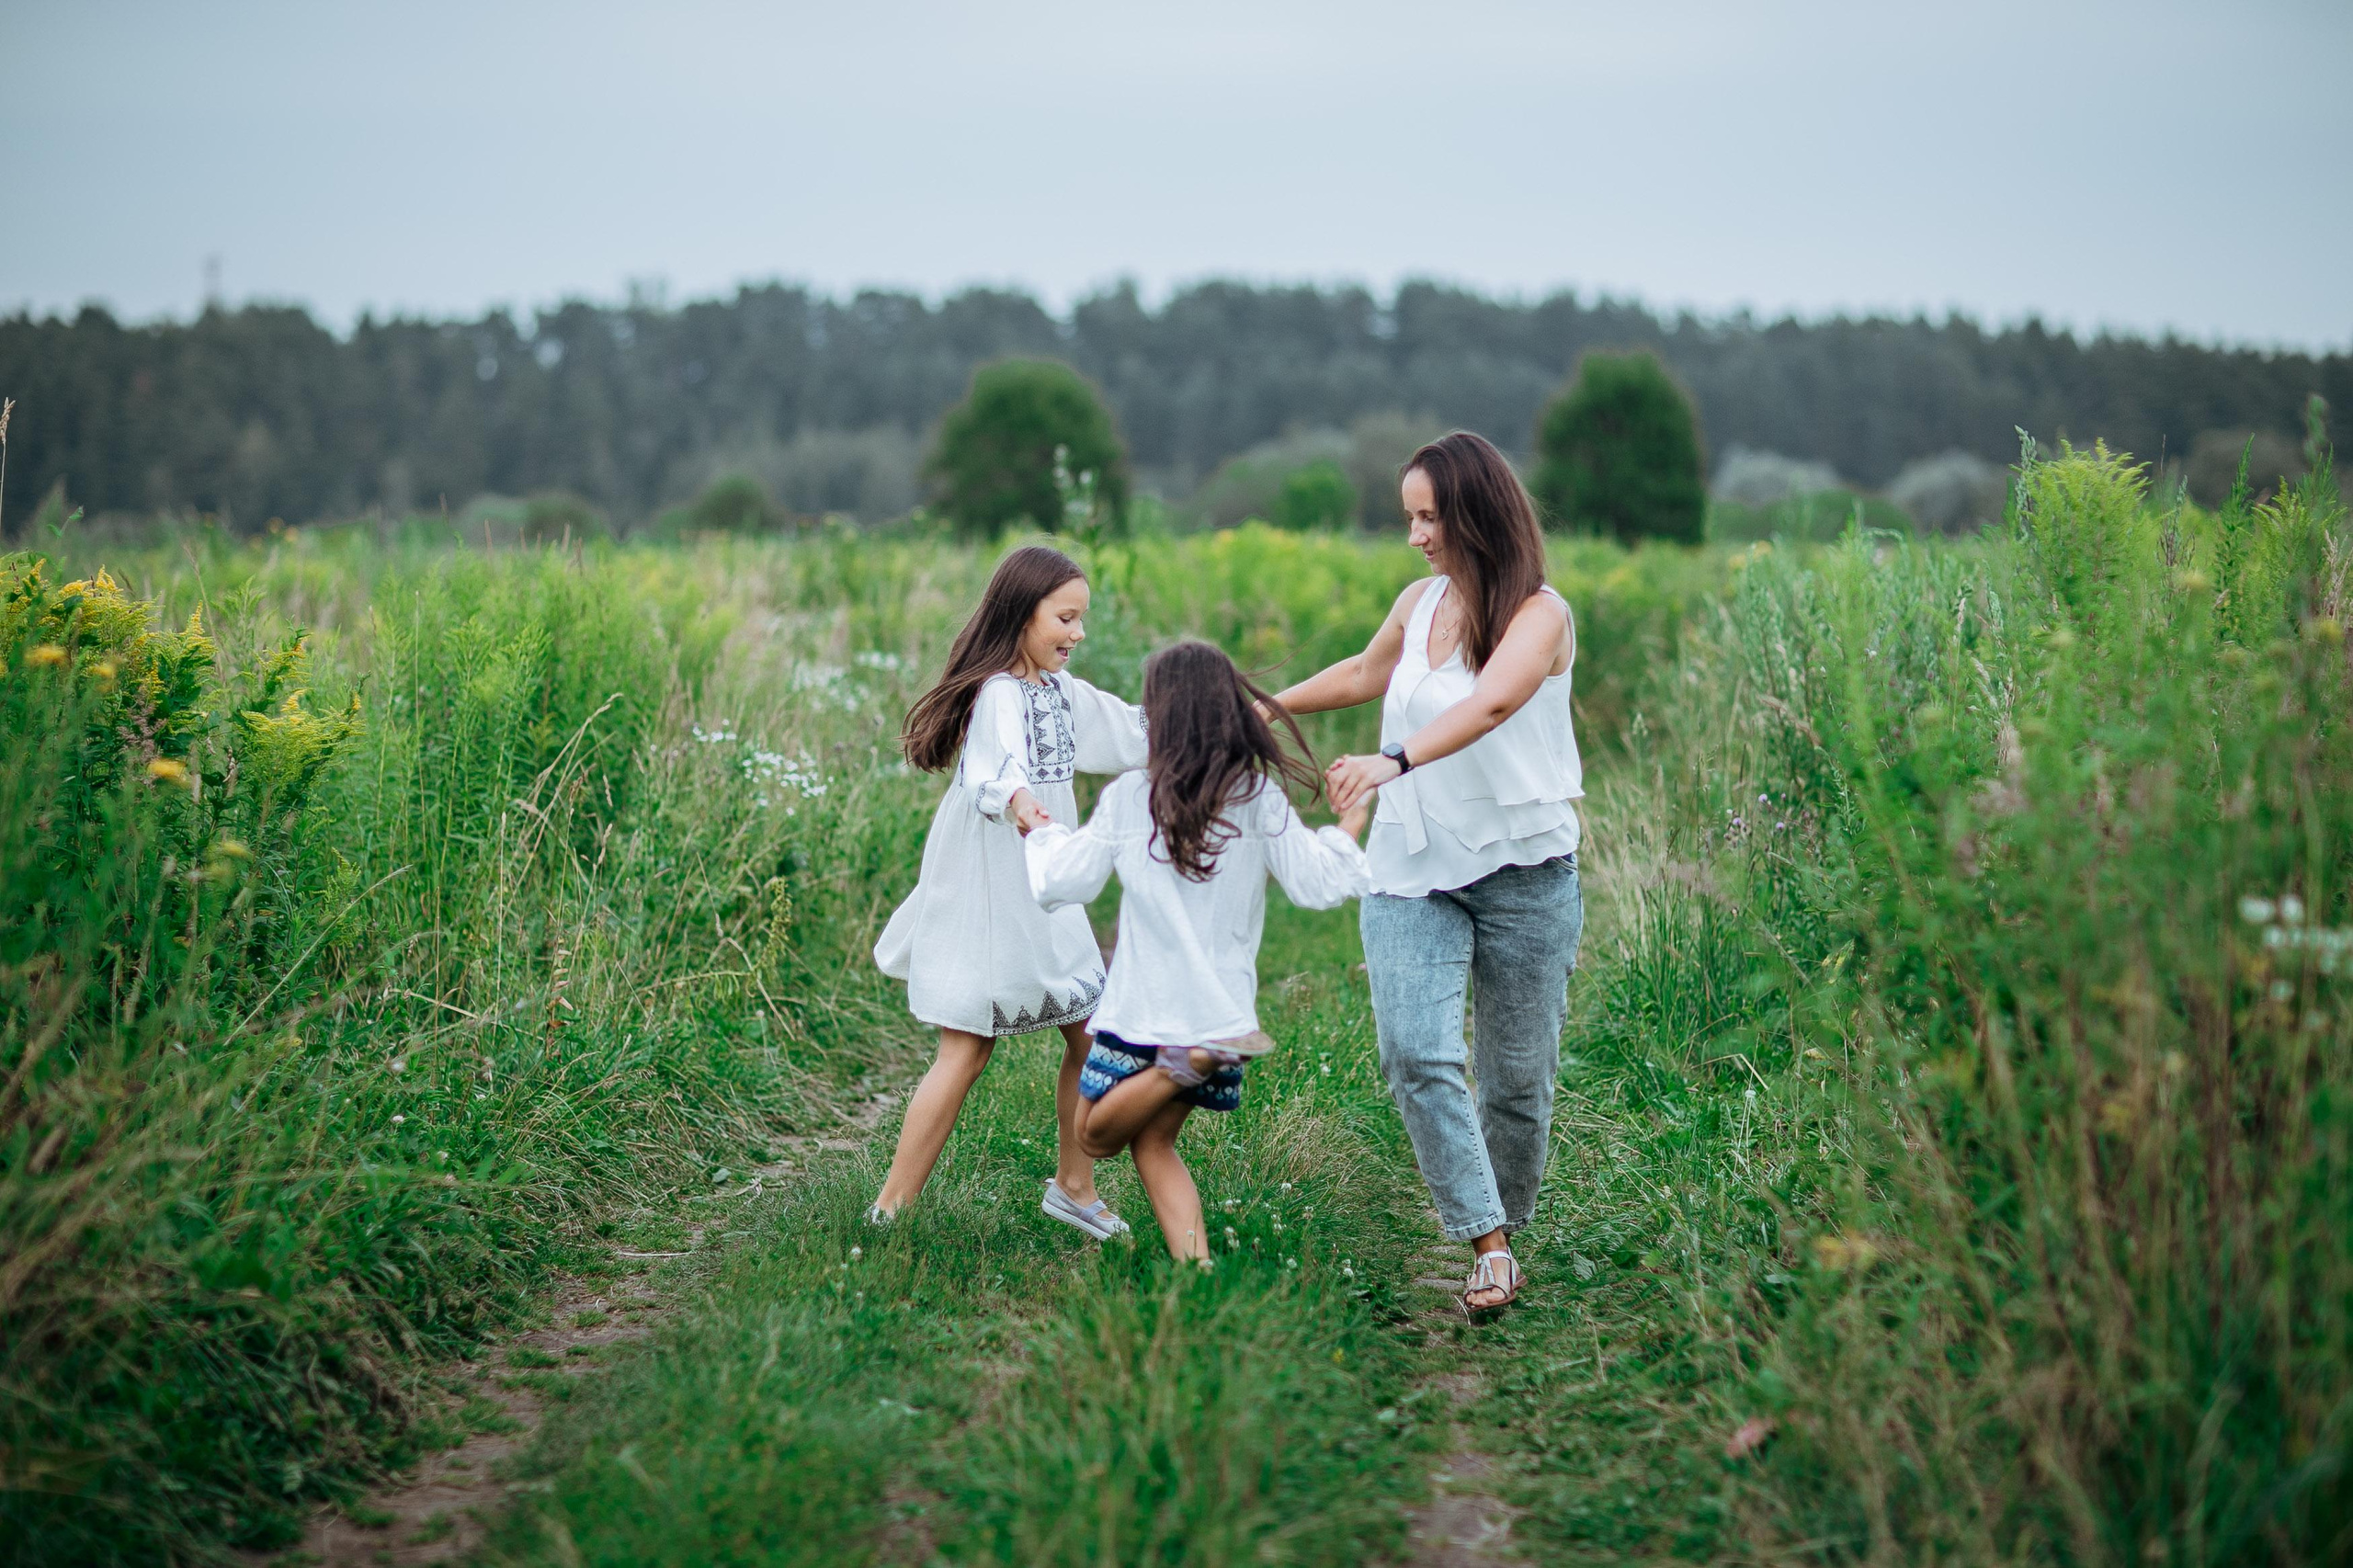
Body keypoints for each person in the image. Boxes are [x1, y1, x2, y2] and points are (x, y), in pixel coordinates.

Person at [1267, 431, 1584, 1314]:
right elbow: (1365, 673)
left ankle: (1504, 1225)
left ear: (1478, 513)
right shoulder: (1418, 602)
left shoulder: (1541, 616)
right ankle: (1488, 1244)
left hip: (1526, 873)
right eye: (1409, 518)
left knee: (1517, 1083)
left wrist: (1394, 760)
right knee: (1414, 1051)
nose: (1416, 536)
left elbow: (1493, 702)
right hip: (1411, 862)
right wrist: (1266, 706)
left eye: (1430, 517)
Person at [1025, 641, 1370, 1262]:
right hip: (1220, 1013)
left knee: (1094, 1137)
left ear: (1160, 715)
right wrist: (1348, 829)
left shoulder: (1134, 796)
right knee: (1154, 1144)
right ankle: (1197, 1271)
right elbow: (1316, 885)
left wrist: (1041, 833)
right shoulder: (1255, 795)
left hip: (1146, 1011)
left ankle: (1178, 1066)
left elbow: (1063, 881)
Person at [870, 544, 1147, 1235]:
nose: (1078, 633)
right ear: (1023, 614)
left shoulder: (1061, 691)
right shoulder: (998, 691)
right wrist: (1021, 803)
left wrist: (1220, 719)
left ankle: (1074, 1187)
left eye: (1081, 618)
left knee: (1091, 1031)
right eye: (1065, 618)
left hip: (1045, 886)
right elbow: (994, 770)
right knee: (967, 1049)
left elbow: (1130, 730)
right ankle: (889, 1212)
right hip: (991, 886)